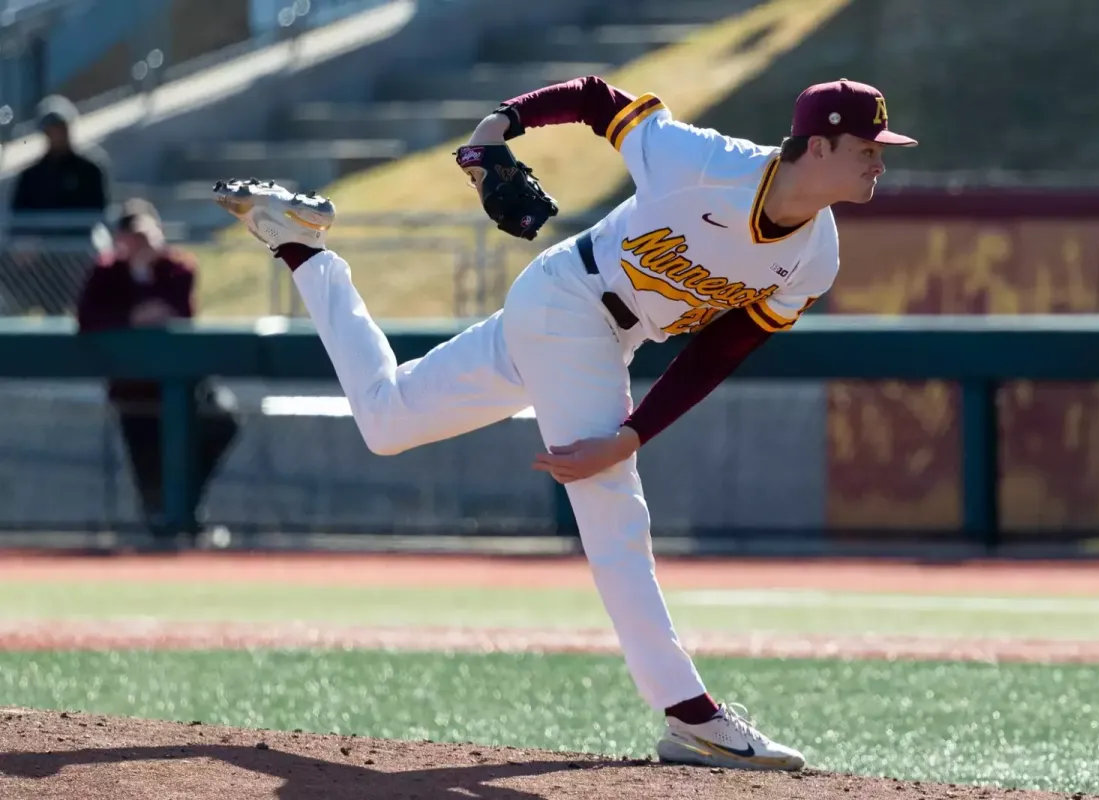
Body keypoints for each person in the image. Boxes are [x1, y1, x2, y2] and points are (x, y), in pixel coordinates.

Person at [214, 76, 916, 771]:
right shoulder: (703, 161)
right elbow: (596, 98)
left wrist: (633, 431)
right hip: (571, 301)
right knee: (613, 513)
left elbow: (721, 349)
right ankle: (692, 716)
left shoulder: (815, 257)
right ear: (818, 146)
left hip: (586, 326)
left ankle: (300, 245)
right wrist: (498, 127)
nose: (880, 161)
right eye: (867, 147)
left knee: (386, 418)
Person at [76, 199, 241, 542]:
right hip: (133, 389)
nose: (143, 244)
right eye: (133, 237)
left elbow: (178, 309)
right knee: (148, 467)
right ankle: (162, 531)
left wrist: (145, 302)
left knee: (221, 421)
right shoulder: (106, 273)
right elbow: (88, 318)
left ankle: (188, 512)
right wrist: (130, 318)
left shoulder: (177, 269)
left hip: (183, 387)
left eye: (147, 235)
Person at [3, 95, 110, 315]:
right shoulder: (32, 174)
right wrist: (26, 241)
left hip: (80, 243)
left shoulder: (90, 169)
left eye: (60, 128)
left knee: (95, 262)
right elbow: (18, 214)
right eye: (51, 130)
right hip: (38, 249)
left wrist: (57, 235)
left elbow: (96, 212)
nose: (56, 134)